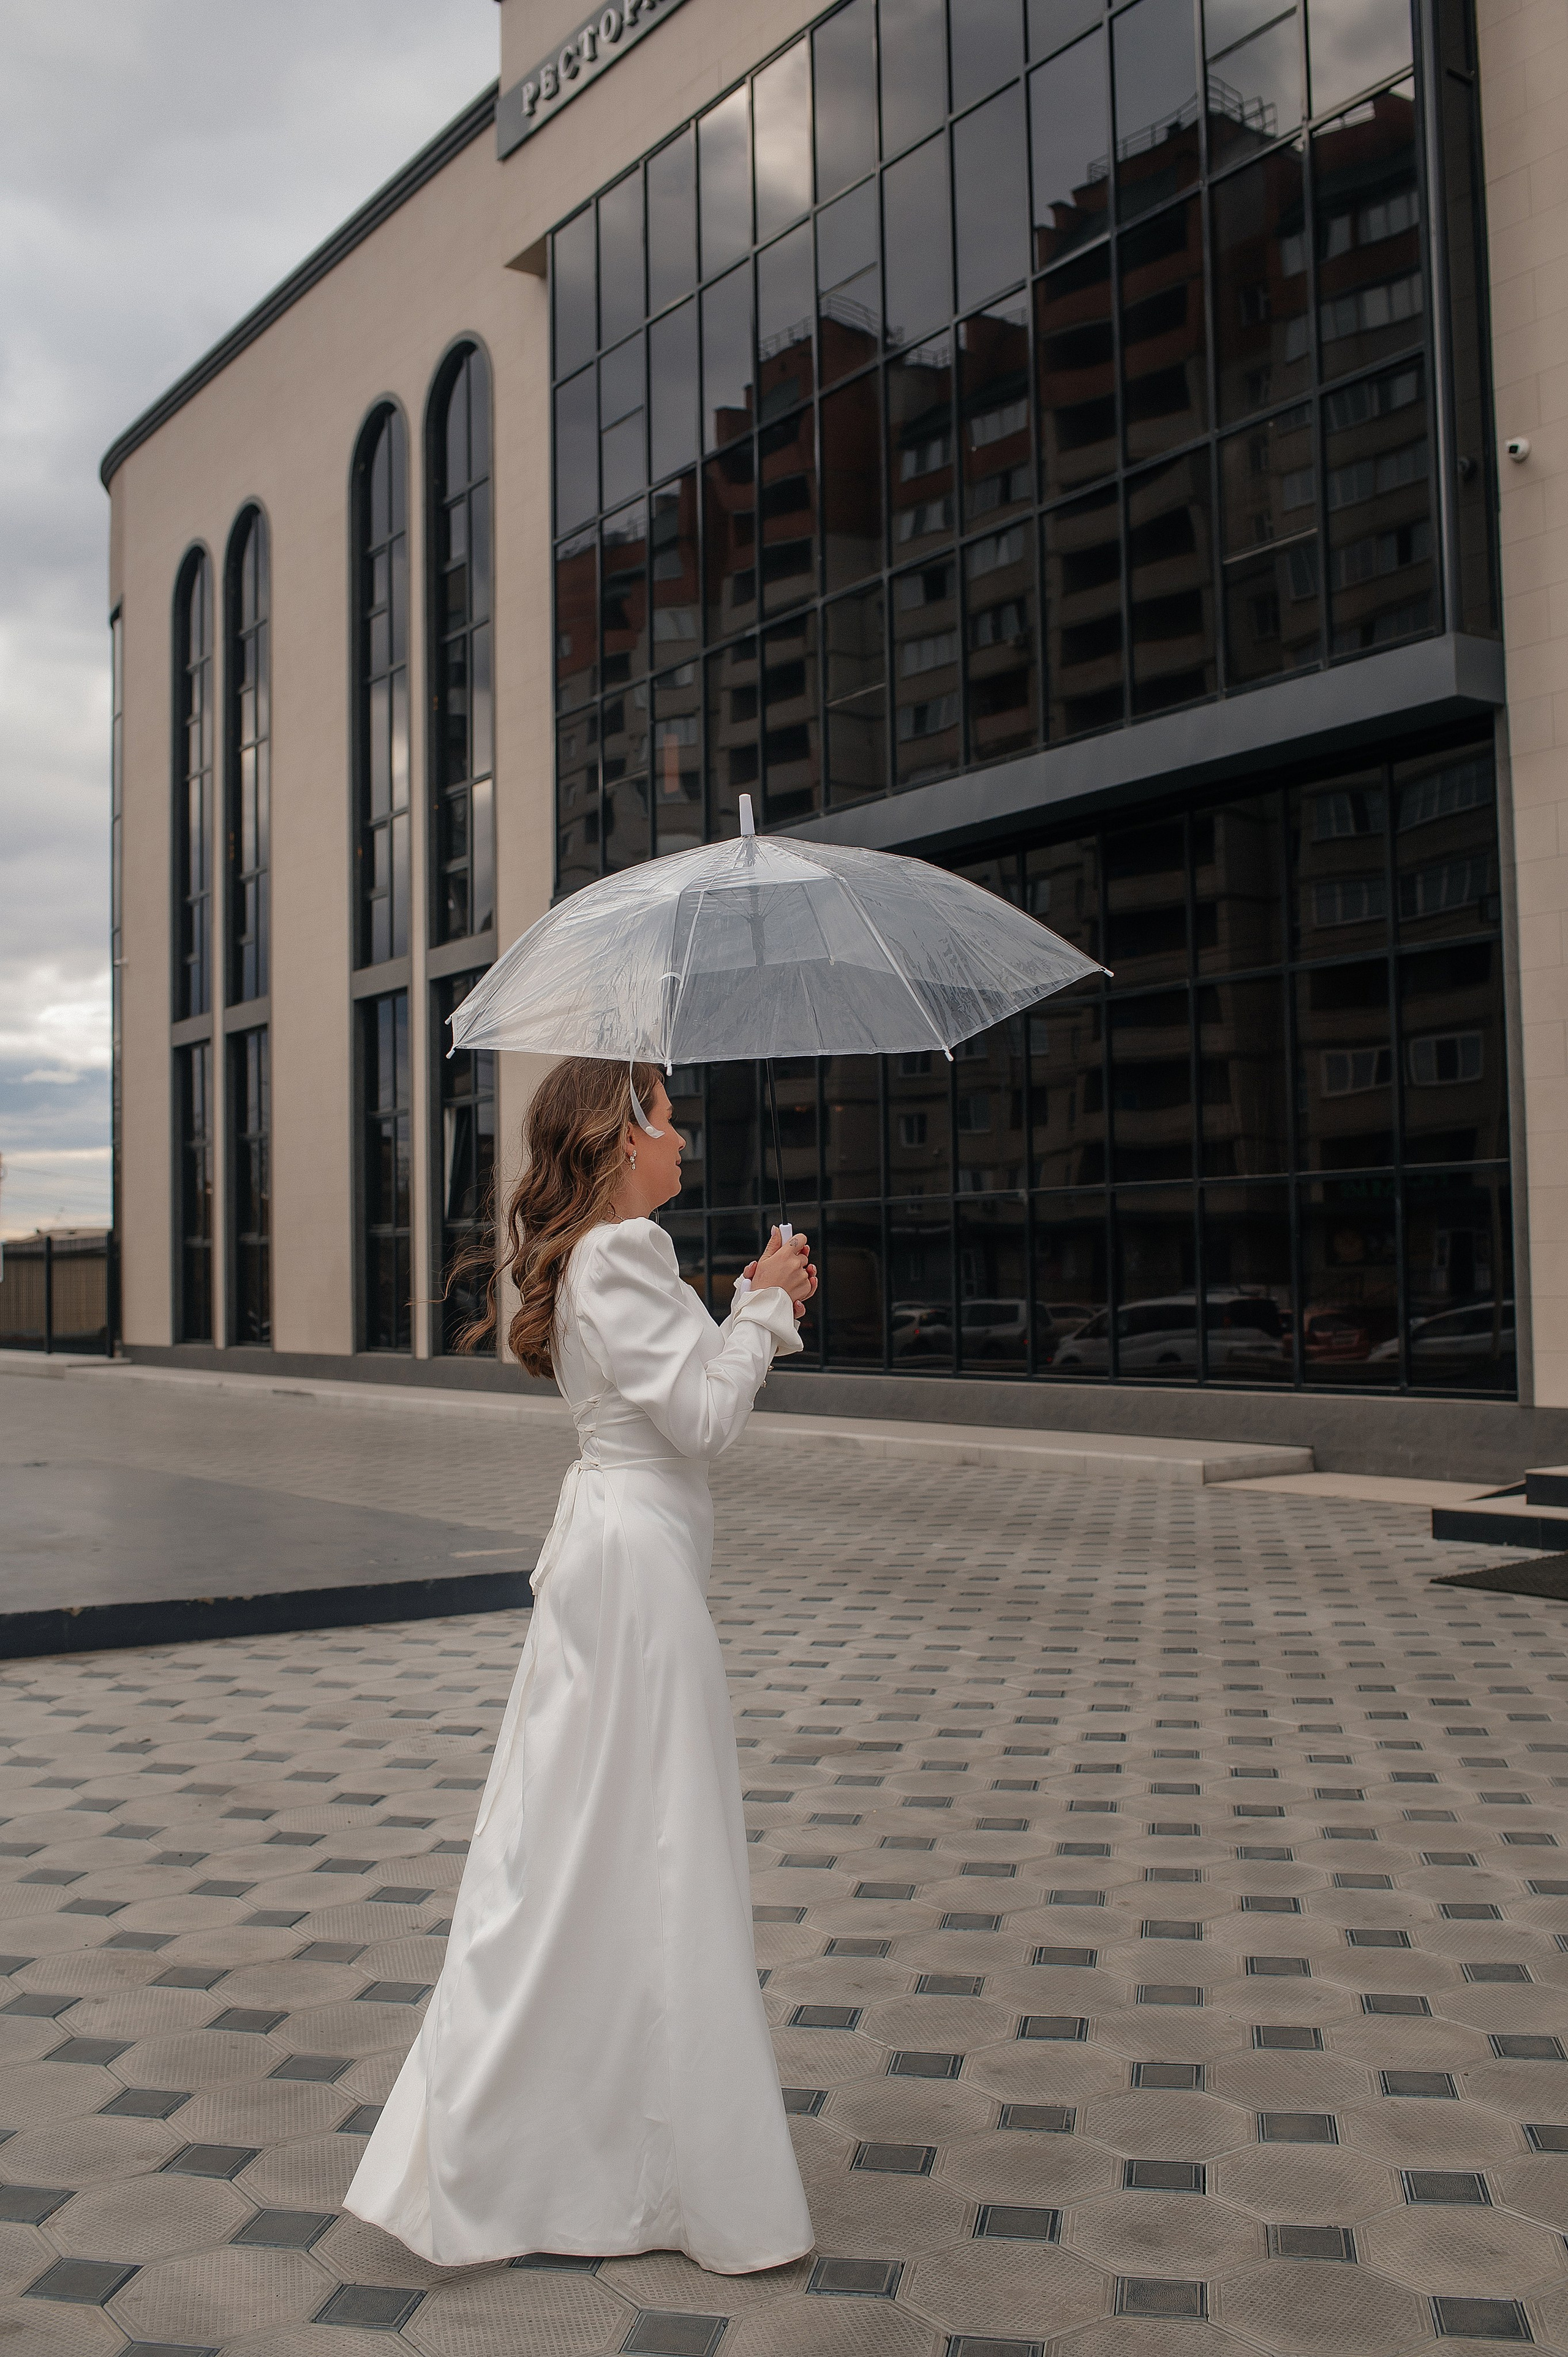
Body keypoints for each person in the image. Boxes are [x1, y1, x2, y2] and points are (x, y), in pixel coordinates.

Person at [344, 1057, 818, 2274]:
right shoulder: (621, 1254)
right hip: (634, 1583)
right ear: (620, 1136)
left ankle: (578, 2147)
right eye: (665, 1112)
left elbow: (676, 1402)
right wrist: (761, 1306)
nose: (682, 1131)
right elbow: (705, 1420)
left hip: (619, 1567)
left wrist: (744, 1308)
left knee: (587, 1853)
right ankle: (623, 2163)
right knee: (650, 1848)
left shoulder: (609, 1260)